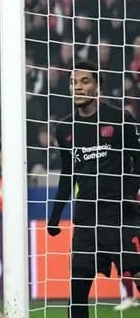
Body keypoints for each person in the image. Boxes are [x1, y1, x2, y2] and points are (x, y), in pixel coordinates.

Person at [47, 60, 140, 318]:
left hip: (120, 214)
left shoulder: (120, 118)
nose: (77, 87)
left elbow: (138, 158)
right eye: (73, 82)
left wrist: (131, 191)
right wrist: (56, 215)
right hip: (86, 218)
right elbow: (68, 173)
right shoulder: (64, 128)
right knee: (77, 292)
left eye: (85, 81)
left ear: (98, 86)